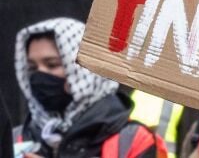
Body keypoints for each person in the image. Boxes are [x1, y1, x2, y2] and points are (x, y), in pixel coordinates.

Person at [12, 17, 167, 158]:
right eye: (32, 68)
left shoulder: (132, 140)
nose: (40, 75)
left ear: (83, 68)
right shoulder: (16, 138)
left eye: (52, 65)